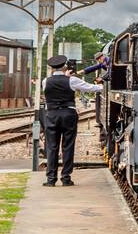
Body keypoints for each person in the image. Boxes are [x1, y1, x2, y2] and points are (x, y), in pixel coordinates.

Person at [42, 54, 101, 187]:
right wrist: (103, 86)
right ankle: (66, 178)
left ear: (51, 68)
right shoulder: (72, 80)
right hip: (68, 114)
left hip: (51, 115)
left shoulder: (45, 81)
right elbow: (92, 88)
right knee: (68, 146)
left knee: (52, 147)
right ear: (64, 66)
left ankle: (51, 179)